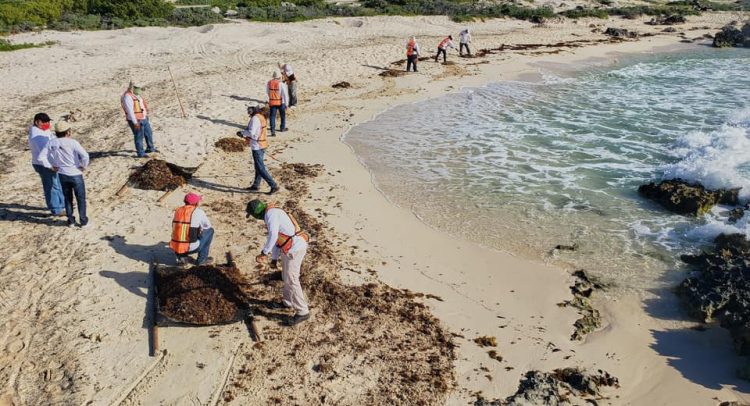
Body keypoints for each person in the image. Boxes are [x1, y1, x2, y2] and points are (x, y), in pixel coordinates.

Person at [246, 199, 310, 326]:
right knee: (286, 277)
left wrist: (264, 253)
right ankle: (287, 302)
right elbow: (278, 239)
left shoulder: (270, 215)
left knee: (292, 279)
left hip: (295, 248)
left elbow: (273, 236)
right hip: (290, 247)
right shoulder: (272, 212)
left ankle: (303, 311)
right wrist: (274, 259)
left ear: (256, 213)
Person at [42, 122, 90, 228]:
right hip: (75, 173)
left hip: (62, 174)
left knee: (67, 198)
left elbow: (41, 157)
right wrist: (84, 166)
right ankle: (83, 221)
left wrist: (50, 166)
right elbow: (85, 156)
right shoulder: (72, 142)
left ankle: (71, 220)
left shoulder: (51, 143)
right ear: (68, 132)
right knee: (80, 198)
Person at [237, 105, 279, 195]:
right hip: (262, 143)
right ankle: (256, 185)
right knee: (258, 166)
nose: (248, 114)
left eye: (249, 112)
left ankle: (273, 185)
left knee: (260, 167)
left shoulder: (255, 119)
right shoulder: (261, 116)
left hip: (257, 145)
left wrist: (242, 133)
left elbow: (252, 133)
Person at [28, 113, 65, 216]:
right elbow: (43, 155)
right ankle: (56, 210)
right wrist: (50, 166)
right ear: (37, 122)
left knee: (57, 184)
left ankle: (62, 205)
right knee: (52, 187)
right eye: (44, 122)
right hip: (44, 165)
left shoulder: (44, 130)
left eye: (48, 121)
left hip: (51, 163)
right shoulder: (37, 136)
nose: (47, 123)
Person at [169, 192, 214, 266]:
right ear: (196, 203)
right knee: (210, 231)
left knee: (182, 233)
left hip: (176, 248)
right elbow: (207, 226)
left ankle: (182, 258)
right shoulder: (198, 212)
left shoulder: (177, 211)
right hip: (191, 247)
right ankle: (202, 260)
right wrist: (200, 230)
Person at [121, 81, 157, 158]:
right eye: (137, 88)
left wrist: (146, 115)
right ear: (132, 87)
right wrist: (135, 122)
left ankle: (150, 148)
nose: (139, 89)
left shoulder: (137, 95)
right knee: (139, 136)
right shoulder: (127, 97)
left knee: (148, 133)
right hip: (136, 120)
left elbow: (141, 105)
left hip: (143, 117)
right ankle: (140, 153)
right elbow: (130, 111)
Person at [266, 71, 289, 136]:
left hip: (272, 102)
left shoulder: (269, 83)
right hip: (281, 102)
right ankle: (282, 128)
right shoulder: (281, 84)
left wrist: (271, 98)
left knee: (272, 116)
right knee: (282, 116)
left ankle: (272, 132)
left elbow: (267, 92)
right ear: (279, 77)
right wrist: (286, 104)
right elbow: (285, 95)